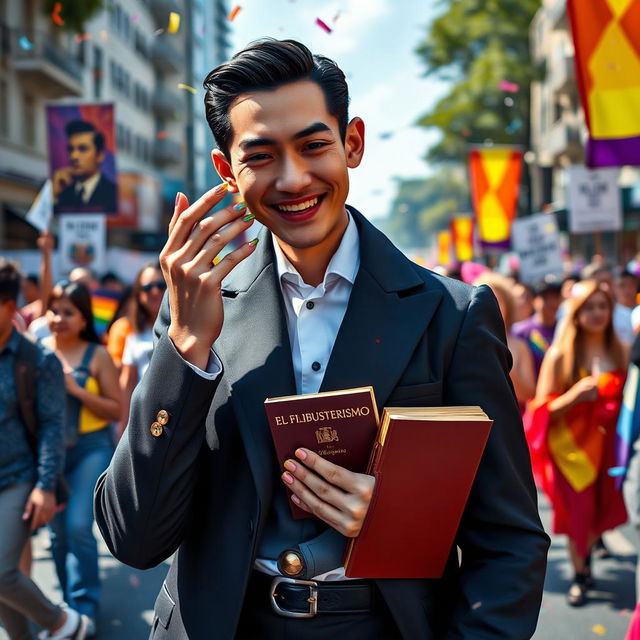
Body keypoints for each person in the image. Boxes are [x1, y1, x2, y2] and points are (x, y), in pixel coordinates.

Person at [95, 39, 549, 639]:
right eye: (260, 156)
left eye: (314, 146)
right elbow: (135, 538)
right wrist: (184, 349)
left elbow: (508, 539)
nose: (293, 179)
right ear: (228, 170)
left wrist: (395, 517)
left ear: (352, 143)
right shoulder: (195, 310)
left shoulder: (453, 315)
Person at [0, 259, 88, 640]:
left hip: (20, 477)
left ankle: (64, 622)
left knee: (2, 572)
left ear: (7, 306)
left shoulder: (37, 359)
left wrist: (46, 485)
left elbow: (53, 425)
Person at [527, 280, 628, 607]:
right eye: (589, 307)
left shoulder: (620, 351)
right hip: (570, 452)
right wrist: (574, 397)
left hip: (610, 451)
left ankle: (588, 561)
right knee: (578, 517)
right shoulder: (560, 355)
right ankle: (580, 574)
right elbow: (539, 410)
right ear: (577, 313)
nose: (597, 314)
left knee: (601, 513)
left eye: (602, 306)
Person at [43, 282, 120, 637]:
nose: (58, 318)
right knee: (57, 534)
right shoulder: (37, 352)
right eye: (54, 309)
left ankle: (84, 605)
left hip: (92, 448)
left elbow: (117, 408)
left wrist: (75, 389)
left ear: (83, 318)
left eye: (68, 312)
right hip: (50, 453)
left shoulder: (97, 355)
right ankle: (65, 607)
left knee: (76, 525)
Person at [474, 272, 536, 408]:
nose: (490, 306)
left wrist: (505, 366)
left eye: (496, 300)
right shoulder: (465, 342)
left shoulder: (520, 346)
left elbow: (528, 394)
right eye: (483, 300)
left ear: (508, 305)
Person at [117, 264, 166, 437]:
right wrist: (123, 424)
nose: (155, 292)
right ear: (138, 294)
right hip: (144, 416)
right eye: (147, 287)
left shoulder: (188, 324)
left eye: (161, 285)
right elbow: (127, 383)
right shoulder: (133, 333)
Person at [53, 120, 117, 215]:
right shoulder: (61, 191)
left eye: (82, 149)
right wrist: (54, 196)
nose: (73, 156)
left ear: (99, 155)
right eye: (70, 149)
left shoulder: (113, 193)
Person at [512, 275, 562, 378]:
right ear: (534, 300)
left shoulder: (566, 328)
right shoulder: (520, 332)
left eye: (556, 297)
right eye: (546, 298)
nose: (552, 303)